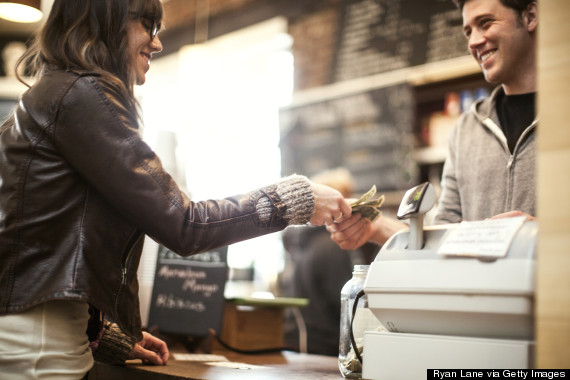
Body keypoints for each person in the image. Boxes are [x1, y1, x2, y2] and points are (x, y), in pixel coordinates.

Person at [0, 1, 352, 379]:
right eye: (146, 25)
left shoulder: (56, 94)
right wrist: (295, 199)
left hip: (35, 334)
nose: (156, 43)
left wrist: (99, 334)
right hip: (37, 345)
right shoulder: (84, 94)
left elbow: (48, 236)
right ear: (106, 19)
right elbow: (185, 224)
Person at [328, 0, 538, 250]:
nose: (473, 42)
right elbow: (443, 236)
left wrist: (541, 233)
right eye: (468, 31)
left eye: (485, 23)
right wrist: (376, 226)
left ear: (530, 16)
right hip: (477, 290)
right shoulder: (467, 129)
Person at [280, 168, 376, 356]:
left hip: (299, 343)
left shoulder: (303, 241)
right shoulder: (334, 244)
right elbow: (347, 306)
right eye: (349, 199)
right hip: (326, 348)